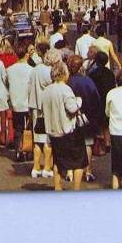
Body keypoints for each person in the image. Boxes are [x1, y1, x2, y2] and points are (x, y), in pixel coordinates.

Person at [42, 61, 87, 191]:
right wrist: (79, 101)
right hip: (68, 131)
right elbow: (72, 108)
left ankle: (57, 187)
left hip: (53, 131)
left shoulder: (47, 90)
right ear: (64, 74)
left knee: (58, 161)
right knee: (78, 162)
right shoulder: (65, 89)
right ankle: (76, 189)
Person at [66, 55, 102, 182]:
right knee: (87, 143)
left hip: (70, 117)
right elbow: (96, 99)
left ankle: (70, 171)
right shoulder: (88, 81)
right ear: (81, 67)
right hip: (86, 116)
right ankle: (88, 171)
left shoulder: (67, 81)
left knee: (70, 144)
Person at [27, 47, 60, 178]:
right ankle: (47, 167)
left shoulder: (35, 70)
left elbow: (29, 87)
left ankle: (35, 167)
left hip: (35, 106)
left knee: (37, 138)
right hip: (48, 109)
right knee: (48, 139)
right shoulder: (51, 72)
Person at [7, 41, 34, 162]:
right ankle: (28, 149)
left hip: (15, 102)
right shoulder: (31, 70)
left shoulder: (9, 70)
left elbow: (7, 84)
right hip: (28, 102)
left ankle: (18, 150)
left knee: (17, 128)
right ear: (26, 55)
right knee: (29, 128)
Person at [89, 51, 117, 151]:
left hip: (97, 100)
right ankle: (107, 142)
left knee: (98, 123)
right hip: (108, 99)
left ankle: (99, 144)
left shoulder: (93, 74)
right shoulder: (110, 74)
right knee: (106, 122)